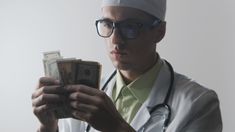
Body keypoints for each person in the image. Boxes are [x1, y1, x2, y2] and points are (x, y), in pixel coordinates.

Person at [31, 0, 223, 132]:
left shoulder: (199, 104)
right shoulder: (80, 93)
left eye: (130, 26)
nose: (116, 40)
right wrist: (48, 128)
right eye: (107, 24)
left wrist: (116, 128)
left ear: (159, 31)